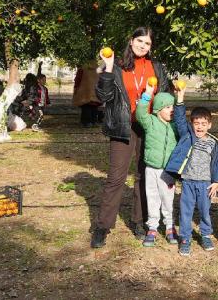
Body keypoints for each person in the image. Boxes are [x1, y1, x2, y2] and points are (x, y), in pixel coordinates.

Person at [91, 27, 172, 249]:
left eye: (147, 43)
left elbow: (166, 94)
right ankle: (102, 226)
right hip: (122, 127)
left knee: (144, 176)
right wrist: (107, 68)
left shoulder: (156, 67)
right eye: (139, 41)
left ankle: (140, 221)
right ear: (131, 41)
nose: (142, 46)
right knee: (116, 177)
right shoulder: (116, 67)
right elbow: (104, 95)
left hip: (149, 129)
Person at [164, 85, 218, 256]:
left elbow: (216, 164)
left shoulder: (214, 143)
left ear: (210, 125)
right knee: (186, 211)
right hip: (188, 182)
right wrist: (180, 98)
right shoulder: (187, 135)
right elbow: (180, 119)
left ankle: (205, 234)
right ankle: (185, 238)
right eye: (196, 123)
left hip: (205, 184)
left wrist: (216, 181)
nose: (199, 127)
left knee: (205, 211)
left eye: (203, 124)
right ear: (192, 125)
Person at [134, 86, 179, 247]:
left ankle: (169, 226)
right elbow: (140, 113)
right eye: (168, 107)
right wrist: (147, 94)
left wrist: (180, 98)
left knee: (168, 199)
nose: (171, 110)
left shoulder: (175, 126)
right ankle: (152, 227)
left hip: (168, 171)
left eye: (173, 106)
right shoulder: (150, 122)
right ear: (158, 109)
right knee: (152, 198)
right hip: (151, 168)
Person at [73, 60, 102, 127]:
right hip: (95, 91)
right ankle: (94, 121)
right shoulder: (98, 69)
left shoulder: (82, 69)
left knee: (86, 106)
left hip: (84, 91)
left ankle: (86, 122)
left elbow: (77, 80)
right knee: (94, 106)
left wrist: (76, 89)